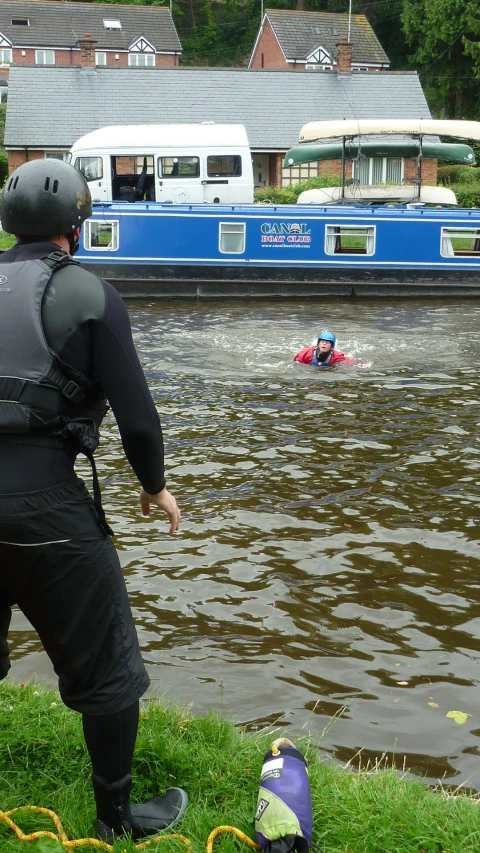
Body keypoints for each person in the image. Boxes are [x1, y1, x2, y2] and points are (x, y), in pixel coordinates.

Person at [0, 159, 188, 843]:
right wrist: (153, 483)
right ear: (76, 227)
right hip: (47, 508)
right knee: (108, 671)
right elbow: (137, 419)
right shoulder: (92, 294)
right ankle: (114, 819)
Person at [294, 330, 360, 367]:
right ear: (318, 344)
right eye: (322, 342)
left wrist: (360, 364)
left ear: (331, 347)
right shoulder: (306, 353)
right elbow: (296, 361)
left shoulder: (336, 356)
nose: (324, 344)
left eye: (327, 342)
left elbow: (348, 362)